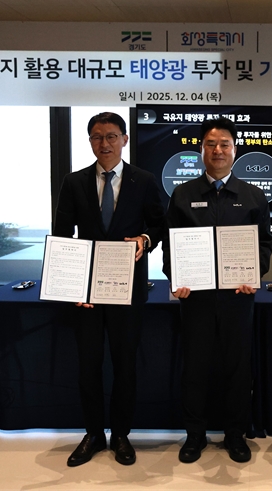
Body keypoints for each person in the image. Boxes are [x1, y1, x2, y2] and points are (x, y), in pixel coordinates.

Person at [53, 111, 165, 467]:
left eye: (112, 136)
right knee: (88, 365)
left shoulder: (143, 180)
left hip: (127, 289)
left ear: (124, 140)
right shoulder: (74, 182)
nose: (105, 143)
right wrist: (72, 286)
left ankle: (120, 434)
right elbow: (62, 236)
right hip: (87, 292)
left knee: (124, 364)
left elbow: (159, 225)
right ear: (90, 141)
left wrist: (145, 239)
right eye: (97, 137)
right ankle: (92, 433)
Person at [162, 117, 272, 464]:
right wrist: (175, 277)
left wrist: (254, 273)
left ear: (234, 150)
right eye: (210, 144)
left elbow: (265, 244)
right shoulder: (183, 194)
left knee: (237, 369)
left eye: (224, 144)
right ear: (201, 150)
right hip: (195, 299)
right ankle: (194, 435)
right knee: (194, 369)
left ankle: (235, 435)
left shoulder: (253, 195)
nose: (218, 150)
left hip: (238, 299)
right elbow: (170, 245)